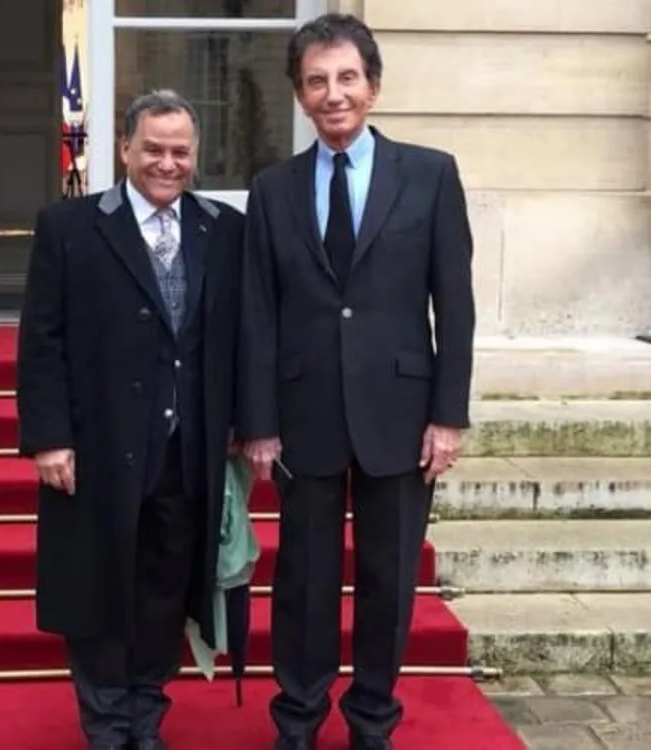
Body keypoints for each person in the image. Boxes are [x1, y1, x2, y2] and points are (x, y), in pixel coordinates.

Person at [235, 13, 475, 750]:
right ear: (300, 95)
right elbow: (257, 314)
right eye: (316, 81)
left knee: (388, 578)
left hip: (402, 414)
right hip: (302, 413)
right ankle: (298, 718)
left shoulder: (431, 175)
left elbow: (455, 306)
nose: (333, 94)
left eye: (346, 77)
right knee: (303, 580)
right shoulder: (272, 188)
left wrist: (448, 417)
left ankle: (372, 719)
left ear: (372, 86)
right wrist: (258, 422)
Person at [16, 90, 244, 750]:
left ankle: (146, 720)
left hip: (186, 451)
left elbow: (242, 336)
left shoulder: (224, 230)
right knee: (97, 593)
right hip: (97, 448)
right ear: (125, 149)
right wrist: (49, 438)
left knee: (166, 594)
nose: (167, 164)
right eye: (153, 149)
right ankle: (108, 727)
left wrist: (242, 420)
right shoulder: (69, 227)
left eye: (180, 152)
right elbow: (41, 341)